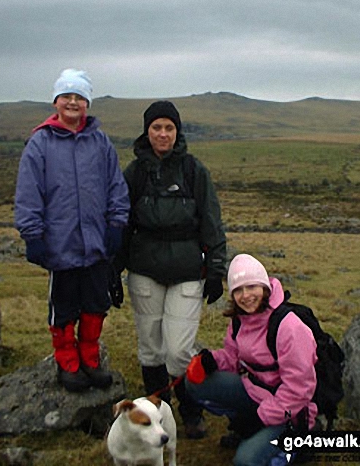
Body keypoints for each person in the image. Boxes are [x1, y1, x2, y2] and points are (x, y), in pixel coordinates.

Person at [115, 100, 226, 438]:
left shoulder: (194, 171)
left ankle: (191, 410)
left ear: (177, 132)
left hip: (188, 272)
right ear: (147, 132)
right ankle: (156, 412)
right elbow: (120, 225)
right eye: (156, 128)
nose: (162, 134)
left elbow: (211, 221)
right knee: (150, 348)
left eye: (169, 128)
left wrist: (217, 268)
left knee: (178, 352)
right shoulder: (133, 174)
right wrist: (113, 270)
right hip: (144, 272)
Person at [14, 68, 130, 393]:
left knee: (96, 303)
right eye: (67, 96)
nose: (73, 102)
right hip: (59, 246)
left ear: (87, 103)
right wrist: (32, 235)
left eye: (79, 97)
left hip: (96, 244)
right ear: (56, 101)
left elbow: (115, 187)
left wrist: (116, 224)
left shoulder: (101, 142)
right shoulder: (40, 143)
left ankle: (90, 359)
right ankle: (67, 361)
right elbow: (28, 192)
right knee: (63, 307)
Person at [186, 254, 318, 466]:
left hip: (290, 412)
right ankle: (250, 427)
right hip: (257, 395)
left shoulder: (290, 328)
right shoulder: (240, 320)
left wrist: (260, 418)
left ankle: (299, 442)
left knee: (245, 462)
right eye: (238, 290)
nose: (245, 296)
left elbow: (299, 390)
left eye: (251, 287)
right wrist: (212, 360)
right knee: (195, 382)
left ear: (264, 286)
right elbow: (233, 357)